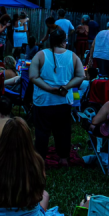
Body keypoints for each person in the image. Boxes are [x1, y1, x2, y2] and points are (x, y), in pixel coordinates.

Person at [28, 28, 85, 165]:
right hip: (63, 101)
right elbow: (81, 76)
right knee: (63, 130)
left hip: (43, 101)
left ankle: (40, 159)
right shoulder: (72, 56)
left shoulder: (40, 55)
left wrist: (49, 88)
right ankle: (64, 158)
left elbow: (33, 76)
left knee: (42, 131)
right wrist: (66, 87)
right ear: (63, 41)